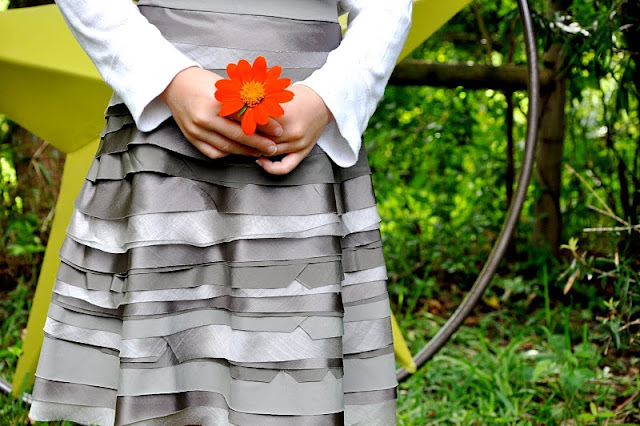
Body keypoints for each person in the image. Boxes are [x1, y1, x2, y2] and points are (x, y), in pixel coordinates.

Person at [27, 0, 412, 424]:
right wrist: (167, 79)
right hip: (166, 130)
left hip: (304, 130)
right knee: (165, 372)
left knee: (295, 363)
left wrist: (328, 97)